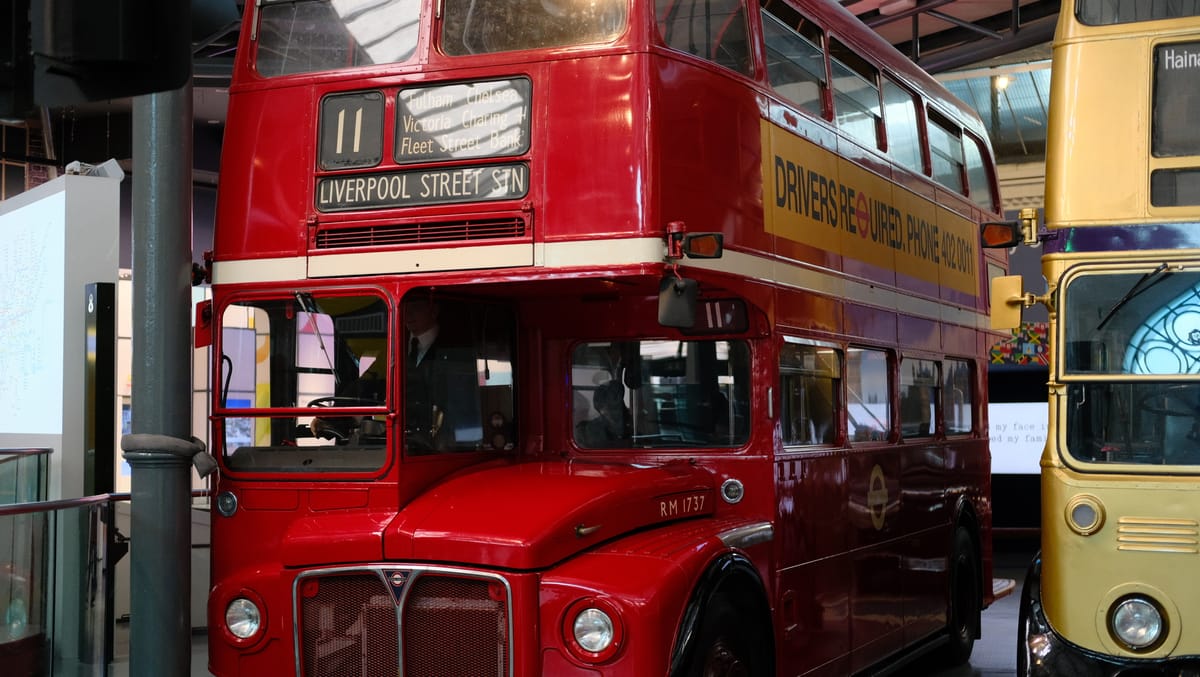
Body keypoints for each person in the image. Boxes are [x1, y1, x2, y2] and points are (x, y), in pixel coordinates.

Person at [576, 380, 632, 447]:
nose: (616, 411)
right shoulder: (591, 430)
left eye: (617, 406)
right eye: (611, 406)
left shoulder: (631, 424)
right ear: (600, 409)